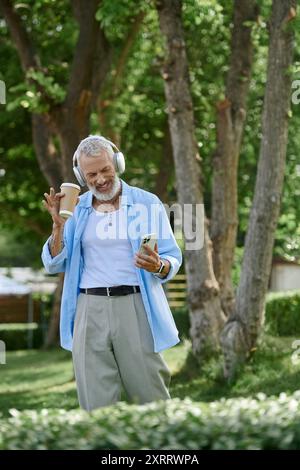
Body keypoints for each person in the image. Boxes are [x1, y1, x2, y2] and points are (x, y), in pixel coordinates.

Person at [41, 135, 182, 411]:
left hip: (134, 305)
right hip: (88, 309)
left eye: (105, 169)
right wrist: (57, 228)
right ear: (81, 176)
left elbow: (171, 256)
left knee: (151, 397)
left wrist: (158, 266)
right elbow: (54, 264)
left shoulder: (146, 202)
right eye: (91, 174)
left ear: (117, 163)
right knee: (95, 405)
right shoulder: (77, 209)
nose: (100, 179)